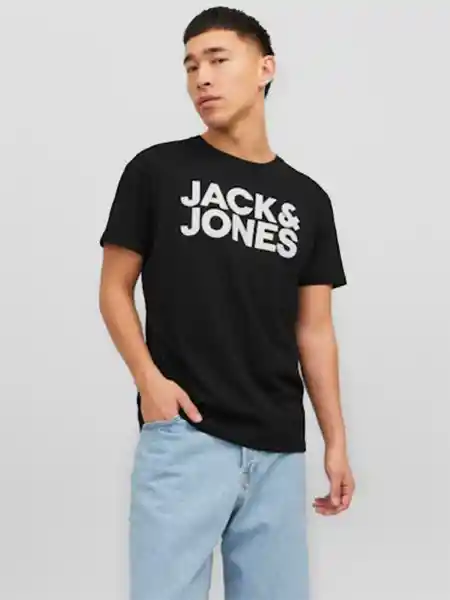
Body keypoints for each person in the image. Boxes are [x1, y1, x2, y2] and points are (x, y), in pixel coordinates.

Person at [99, 6, 355, 600]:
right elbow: (114, 288)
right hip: (185, 436)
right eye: (191, 66)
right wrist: (149, 382)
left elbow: (314, 330)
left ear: (265, 68)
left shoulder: (308, 200)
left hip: (278, 449)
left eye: (217, 59)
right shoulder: (157, 170)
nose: (202, 78)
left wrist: (335, 440)